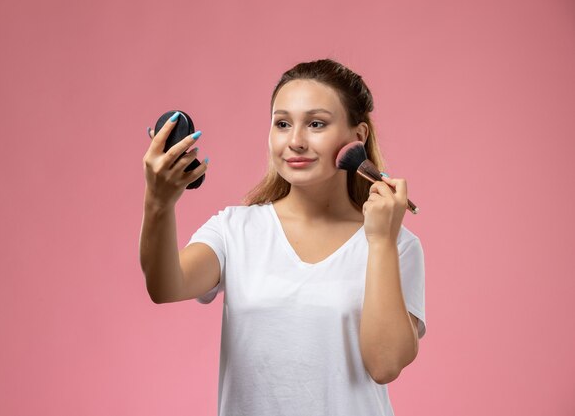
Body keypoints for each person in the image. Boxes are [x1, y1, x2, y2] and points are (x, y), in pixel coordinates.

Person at [139, 58, 426, 416]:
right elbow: (164, 286)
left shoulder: (398, 244)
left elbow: (385, 364)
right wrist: (158, 203)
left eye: (316, 124)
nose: (295, 141)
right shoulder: (235, 229)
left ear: (358, 137)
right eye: (283, 123)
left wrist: (381, 242)